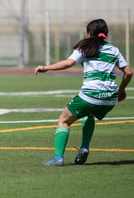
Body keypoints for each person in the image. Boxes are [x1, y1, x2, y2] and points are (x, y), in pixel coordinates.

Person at [34, 18, 132, 166]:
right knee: (89, 114)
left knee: (64, 120)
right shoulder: (113, 49)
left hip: (90, 95)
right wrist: (122, 90)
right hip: (109, 99)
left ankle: (58, 158)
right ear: (105, 34)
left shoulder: (84, 47)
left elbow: (68, 63)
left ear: (89, 33)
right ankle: (84, 147)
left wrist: (46, 68)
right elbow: (129, 72)